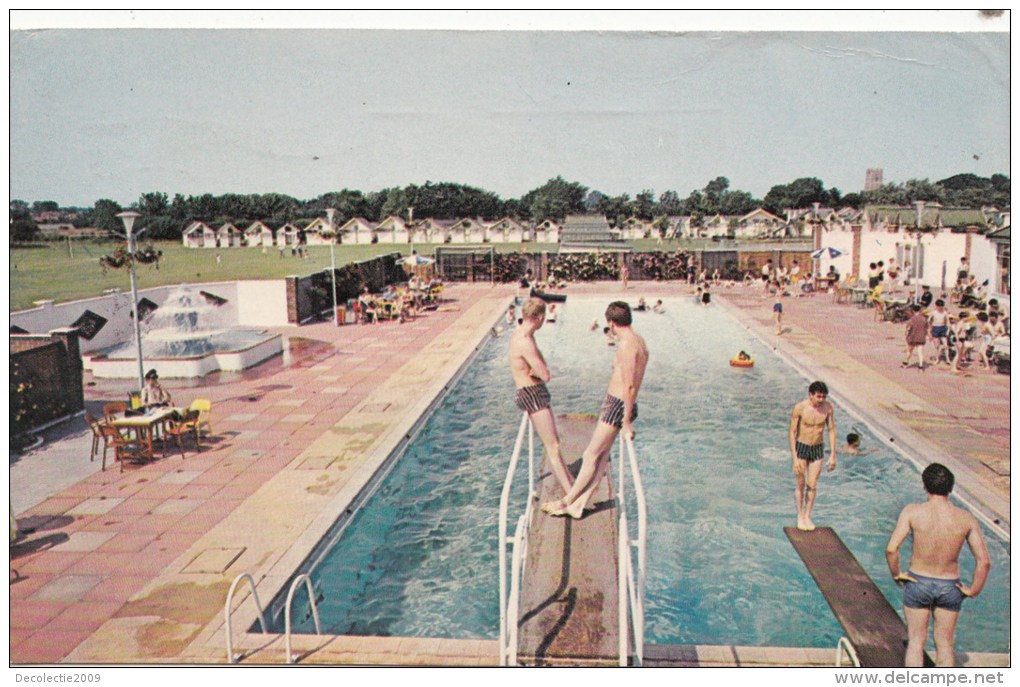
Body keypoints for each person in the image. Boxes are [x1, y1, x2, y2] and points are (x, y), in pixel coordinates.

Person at [543, 301, 648, 519]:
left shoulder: (627, 346)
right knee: (601, 459)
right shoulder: (640, 341)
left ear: (611, 322)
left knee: (591, 455)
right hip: (622, 405)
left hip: (618, 406)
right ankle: (579, 504)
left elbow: (629, 385)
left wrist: (626, 421)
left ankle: (565, 502)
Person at [886, 463, 990, 667]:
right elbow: (984, 561)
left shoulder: (912, 512)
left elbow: (891, 549)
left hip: (918, 581)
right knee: (944, 644)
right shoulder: (965, 518)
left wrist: (897, 574)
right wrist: (974, 590)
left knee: (916, 642)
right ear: (951, 488)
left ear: (924, 486)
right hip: (950, 585)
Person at [509, 298, 573, 497]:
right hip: (532, 394)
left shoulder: (522, 334)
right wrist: (539, 371)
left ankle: (570, 482)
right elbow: (545, 375)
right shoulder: (526, 342)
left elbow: (539, 369)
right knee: (553, 446)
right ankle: (571, 494)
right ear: (540, 317)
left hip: (532, 391)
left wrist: (536, 369)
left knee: (554, 443)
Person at [789, 380, 837, 531]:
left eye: (823, 397)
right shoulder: (800, 408)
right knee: (800, 483)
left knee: (812, 484)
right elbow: (792, 432)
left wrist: (833, 454)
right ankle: (800, 515)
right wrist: (795, 458)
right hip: (802, 447)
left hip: (817, 448)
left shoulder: (828, 408)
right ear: (810, 395)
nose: (821, 400)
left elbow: (831, 430)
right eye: (818, 397)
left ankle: (808, 516)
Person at [901, 304, 928, 370]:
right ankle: (921, 365)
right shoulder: (924, 319)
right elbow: (927, 328)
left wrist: (906, 335)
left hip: (912, 337)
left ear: (913, 311)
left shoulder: (912, 319)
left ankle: (906, 363)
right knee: (920, 352)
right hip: (921, 337)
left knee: (909, 351)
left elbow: (908, 329)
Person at [928, 299, 951, 364]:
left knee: (945, 345)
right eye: (939, 306)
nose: (940, 308)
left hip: (943, 328)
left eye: (941, 306)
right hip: (935, 328)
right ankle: (937, 359)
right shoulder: (933, 312)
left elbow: (948, 321)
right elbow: (929, 321)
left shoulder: (945, 312)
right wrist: (930, 330)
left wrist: (948, 329)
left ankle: (948, 359)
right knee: (937, 346)